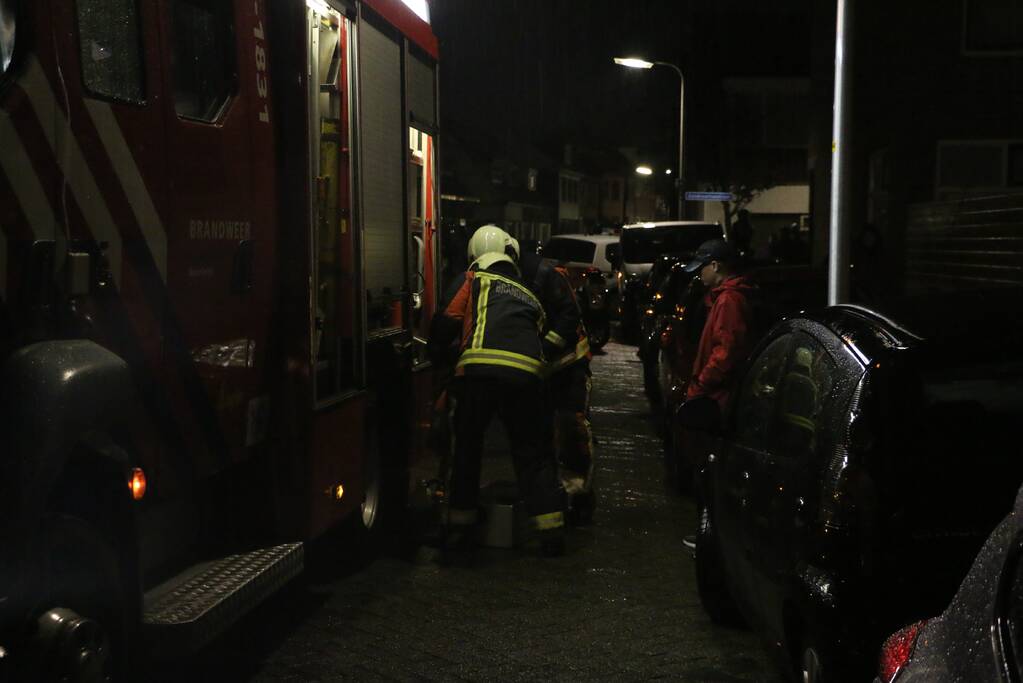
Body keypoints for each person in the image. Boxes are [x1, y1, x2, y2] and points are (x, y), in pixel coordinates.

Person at [429, 225, 566, 562]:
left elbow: (447, 321)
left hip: (478, 374)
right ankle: (550, 532)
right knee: (533, 452)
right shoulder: (528, 293)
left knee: (467, 448)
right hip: (527, 376)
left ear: (474, 256)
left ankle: (460, 529)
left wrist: (440, 357)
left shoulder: (472, 280)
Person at [677, 238, 758, 551]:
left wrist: (701, 385)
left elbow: (725, 353)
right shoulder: (726, 299)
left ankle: (711, 537)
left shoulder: (728, 302)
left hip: (717, 397)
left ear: (716, 266)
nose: (699, 275)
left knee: (712, 468)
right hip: (719, 394)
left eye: (702, 268)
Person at [509, 237, 596, 525]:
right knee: (547, 433)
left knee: (570, 430)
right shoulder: (550, 279)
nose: (583, 279)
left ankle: (575, 494)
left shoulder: (549, 281)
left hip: (567, 368)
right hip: (547, 370)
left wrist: (545, 349)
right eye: (581, 273)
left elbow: (567, 323)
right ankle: (555, 494)